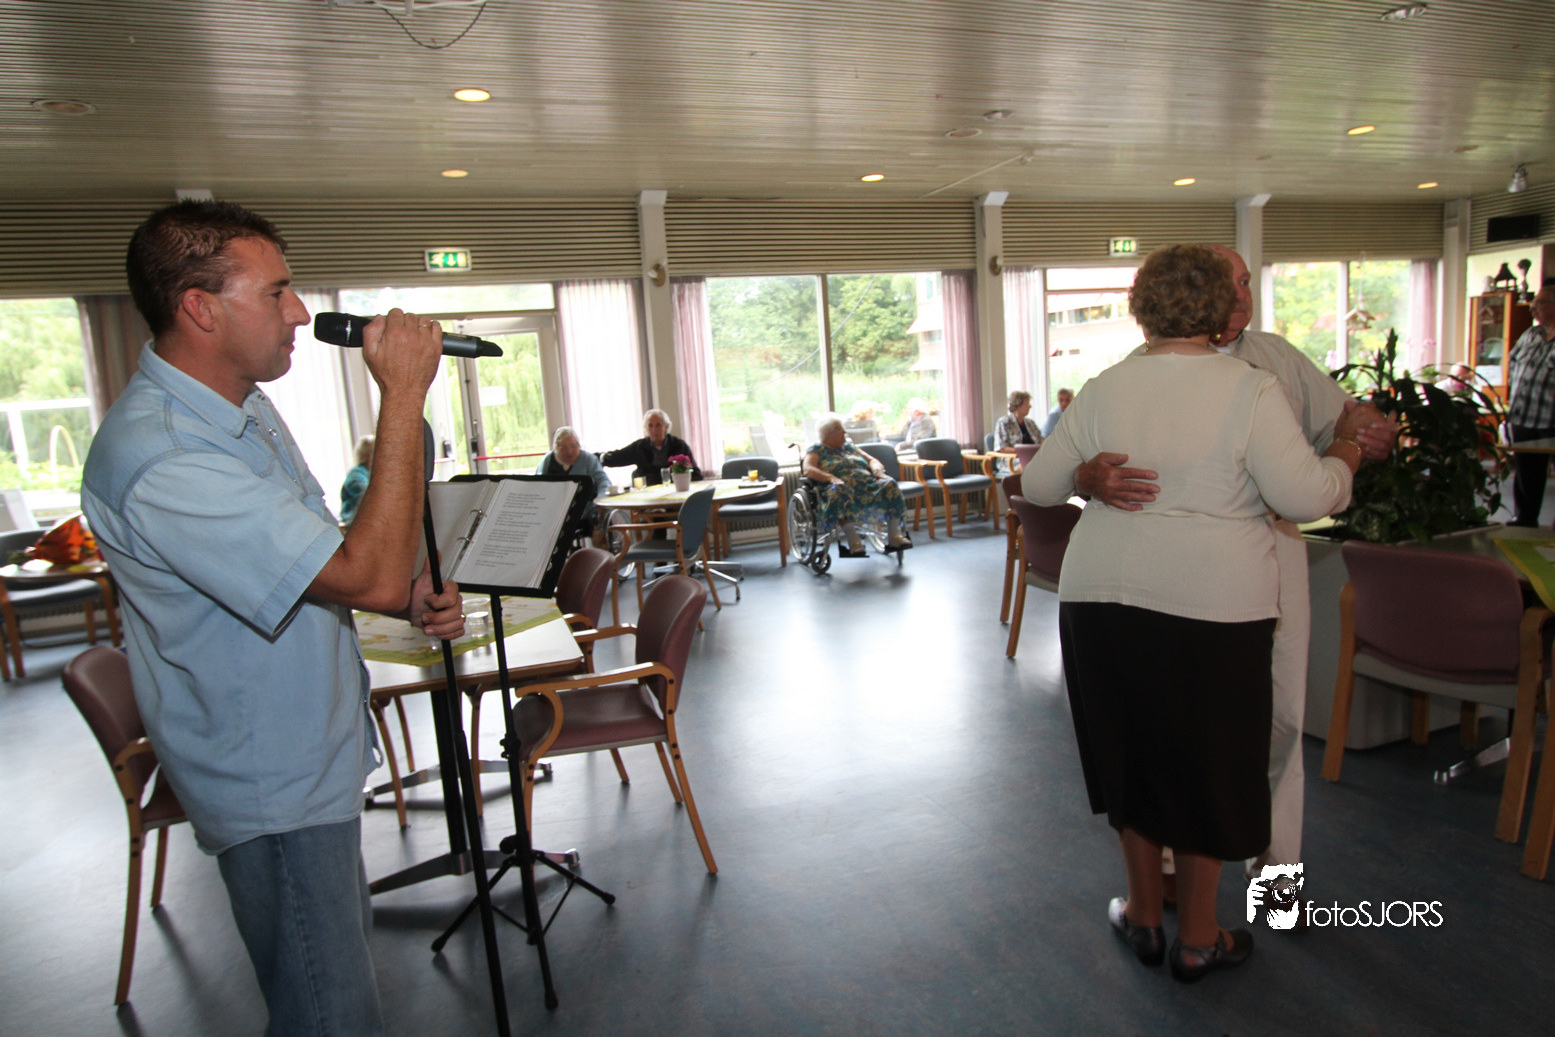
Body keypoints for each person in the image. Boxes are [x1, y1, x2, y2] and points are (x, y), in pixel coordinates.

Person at [81, 200, 465, 1035]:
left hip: (309, 757)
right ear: (201, 308)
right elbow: (363, 575)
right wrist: (403, 396)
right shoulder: (165, 455)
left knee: (333, 994)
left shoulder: (239, 410)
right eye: (277, 292)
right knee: (329, 1014)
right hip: (271, 781)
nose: (298, 313)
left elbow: (314, 561)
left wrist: (406, 592)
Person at [1025, 244, 1365, 982]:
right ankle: (1200, 937)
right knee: (1210, 762)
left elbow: (1039, 486)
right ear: (1220, 309)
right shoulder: (1249, 389)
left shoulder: (1103, 387)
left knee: (1131, 754)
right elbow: (1306, 497)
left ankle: (1145, 917)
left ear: (1139, 307)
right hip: (1211, 606)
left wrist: (1085, 474)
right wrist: (1346, 452)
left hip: (1101, 600)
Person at [1073, 245, 1397, 895]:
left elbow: (1346, 419)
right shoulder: (1137, 370)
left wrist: (1366, 427)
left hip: (1273, 546)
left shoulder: (1276, 359)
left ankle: (1275, 873)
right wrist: (1087, 477)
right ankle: (1168, 867)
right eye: (1228, 282)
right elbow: (1074, 466)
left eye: (1247, 281)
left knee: (1281, 714)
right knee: (1176, 719)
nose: (1241, 294)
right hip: (1179, 566)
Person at [803, 414, 912, 555]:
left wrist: (877, 471)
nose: (844, 432)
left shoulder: (850, 447)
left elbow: (872, 460)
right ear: (828, 433)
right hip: (839, 488)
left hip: (867, 486)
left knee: (890, 484)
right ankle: (854, 542)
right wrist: (830, 477)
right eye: (840, 429)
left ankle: (895, 537)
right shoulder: (817, 449)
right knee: (840, 490)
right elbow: (808, 469)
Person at [1506, 286, 1555, 526]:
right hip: (1523, 416)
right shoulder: (1530, 334)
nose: (1533, 308)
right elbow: (1512, 362)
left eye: (1541, 303)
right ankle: (1525, 518)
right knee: (1526, 472)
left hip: (1551, 419)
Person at [536, 425, 612, 536]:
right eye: (564, 448)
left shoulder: (588, 459)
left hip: (585, 508)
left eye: (573, 446)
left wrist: (601, 499)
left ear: (579, 444)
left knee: (601, 517)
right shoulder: (547, 461)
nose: (570, 451)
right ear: (556, 448)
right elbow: (538, 485)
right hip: (556, 510)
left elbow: (603, 481)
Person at [602, 408, 702, 485]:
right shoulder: (639, 447)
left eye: (658, 425)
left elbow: (696, 475)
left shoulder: (679, 446)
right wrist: (599, 458)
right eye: (650, 426)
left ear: (666, 427)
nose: (654, 430)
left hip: (673, 493)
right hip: (648, 495)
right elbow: (618, 457)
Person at [993, 389, 1043, 474]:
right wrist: (1024, 453)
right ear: (1018, 405)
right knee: (1030, 466)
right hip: (1012, 460)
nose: (1030, 406)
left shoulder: (1030, 423)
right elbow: (1002, 448)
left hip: (1033, 458)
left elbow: (1041, 442)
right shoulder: (1004, 422)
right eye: (1027, 404)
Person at [339, 434, 374, 525]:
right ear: (367, 455)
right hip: (356, 524)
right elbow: (370, 497)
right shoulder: (356, 475)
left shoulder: (369, 473)